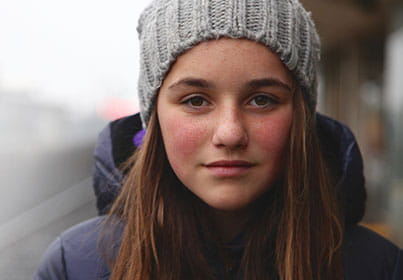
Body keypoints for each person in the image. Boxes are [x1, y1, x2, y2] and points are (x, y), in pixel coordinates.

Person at [35, 0, 402, 279]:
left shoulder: (379, 267)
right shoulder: (75, 265)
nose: (230, 133)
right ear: (154, 115)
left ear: (302, 117)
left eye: (262, 100)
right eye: (196, 100)